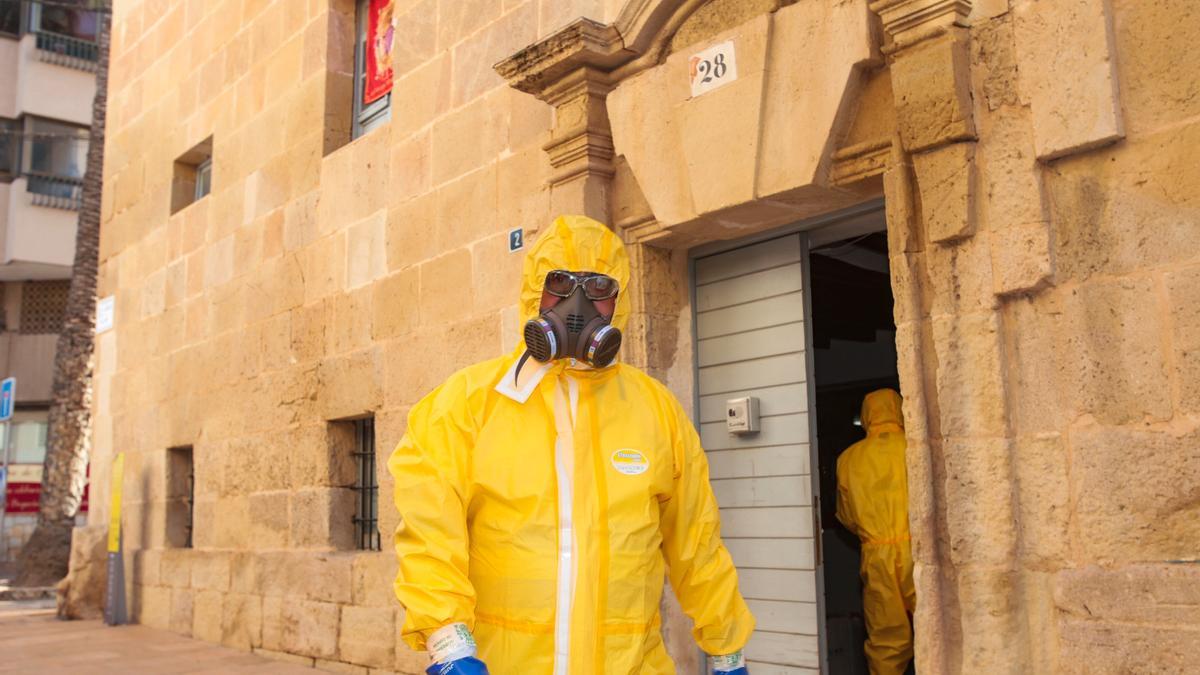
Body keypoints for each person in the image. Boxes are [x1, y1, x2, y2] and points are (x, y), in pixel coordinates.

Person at [389, 215, 755, 675]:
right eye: (559, 283)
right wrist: (448, 643)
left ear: (619, 302)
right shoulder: (468, 403)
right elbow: (428, 529)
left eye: (598, 288)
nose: (576, 304)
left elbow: (696, 541)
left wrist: (728, 651)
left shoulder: (655, 410)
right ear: (532, 292)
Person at [835, 389, 917, 675]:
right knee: (944, 627)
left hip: (877, 555)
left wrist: (873, 532)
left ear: (868, 416)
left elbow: (846, 517)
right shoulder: (914, 446)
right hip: (919, 552)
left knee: (887, 642)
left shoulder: (848, 459)